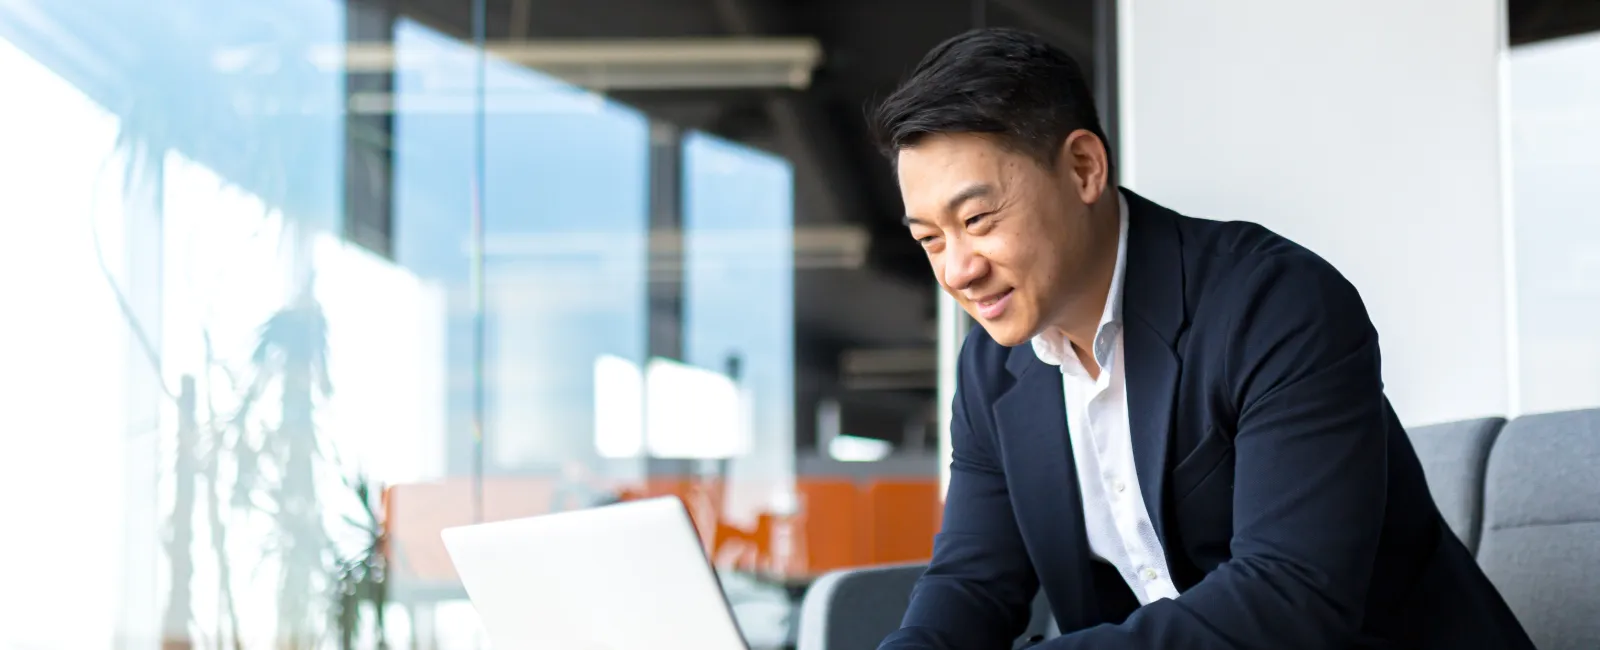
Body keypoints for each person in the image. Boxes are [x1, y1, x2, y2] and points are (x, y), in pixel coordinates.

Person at [869, 27, 1535, 649]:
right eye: (930, 239)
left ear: (1082, 168)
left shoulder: (1274, 305)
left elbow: (1292, 599)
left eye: (978, 219)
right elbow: (971, 584)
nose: (958, 270)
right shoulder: (993, 368)